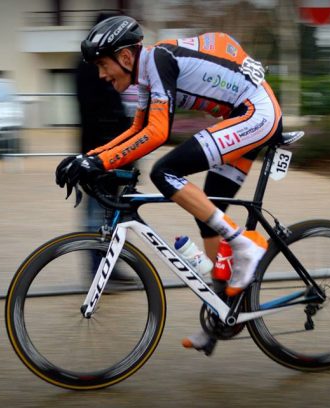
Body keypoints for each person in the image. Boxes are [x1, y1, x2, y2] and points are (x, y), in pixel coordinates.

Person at [56, 16, 282, 352]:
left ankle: (243, 243)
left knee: (164, 173)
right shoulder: (147, 73)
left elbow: (158, 134)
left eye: (103, 64)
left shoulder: (158, 61)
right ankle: (223, 314)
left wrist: (99, 162)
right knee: (208, 211)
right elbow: (136, 130)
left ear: (126, 57)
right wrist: (88, 157)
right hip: (242, 116)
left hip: (255, 114)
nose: (101, 75)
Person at [75, 12, 135, 283]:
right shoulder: (90, 66)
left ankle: (110, 267)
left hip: (115, 153)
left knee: (115, 215)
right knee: (96, 217)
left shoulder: (108, 65)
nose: (104, 74)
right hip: (99, 154)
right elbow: (93, 112)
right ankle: (97, 270)